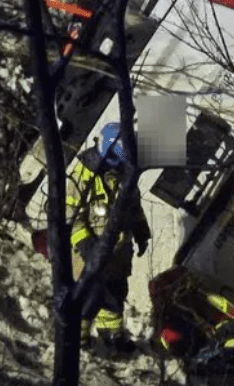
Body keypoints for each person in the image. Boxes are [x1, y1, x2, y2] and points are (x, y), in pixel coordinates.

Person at [68, 121, 151, 354]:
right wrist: (86, 243)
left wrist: (142, 232)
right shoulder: (83, 174)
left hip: (119, 250)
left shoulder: (125, 174)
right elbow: (70, 213)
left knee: (116, 292)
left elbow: (134, 205)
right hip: (91, 249)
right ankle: (77, 337)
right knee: (89, 295)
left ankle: (112, 334)